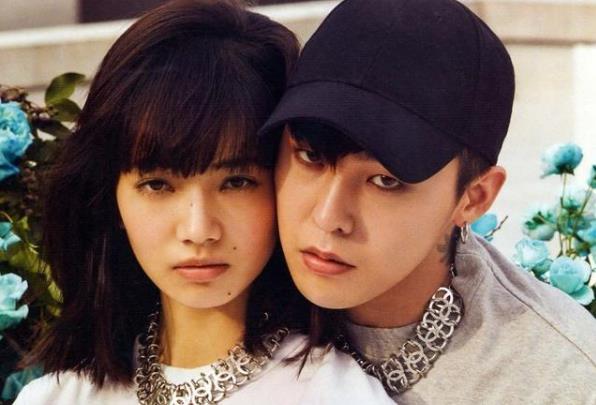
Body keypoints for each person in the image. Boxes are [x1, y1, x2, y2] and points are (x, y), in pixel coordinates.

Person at [13, 1, 392, 404]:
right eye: (158, 185)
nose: (198, 230)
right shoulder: (55, 397)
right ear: (111, 196)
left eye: (236, 182)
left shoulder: (334, 394)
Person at [259, 0, 596, 403]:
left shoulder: (556, 380)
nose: (328, 217)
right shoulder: (226, 277)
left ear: (474, 197)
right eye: (311, 157)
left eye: (385, 181)